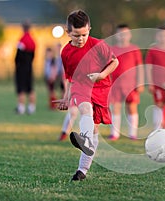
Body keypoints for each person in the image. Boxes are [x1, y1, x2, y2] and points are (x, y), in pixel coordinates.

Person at [56, 10, 118, 181]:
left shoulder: (98, 45)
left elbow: (114, 62)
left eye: (84, 34)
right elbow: (69, 77)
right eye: (76, 35)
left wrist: (102, 75)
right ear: (68, 32)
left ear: (89, 29)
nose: (80, 39)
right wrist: (67, 97)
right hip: (81, 86)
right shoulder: (66, 52)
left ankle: (82, 170)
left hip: (101, 87)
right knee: (85, 108)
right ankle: (85, 140)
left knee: (94, 129)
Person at [108, 24, 144, 141]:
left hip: (131, 84)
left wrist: (140, 82)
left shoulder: (135, 49)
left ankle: (132, 133)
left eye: (125, 34)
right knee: (116, 108)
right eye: (120, 34)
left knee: (132, 107)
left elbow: (139, 67)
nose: (123, 37)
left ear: (130, 35)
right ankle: (115, 133)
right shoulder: (112, 50)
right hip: (115, 84)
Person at [14, 20, 36, 114]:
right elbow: (33, 55)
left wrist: (16, 64)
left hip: (21, 68)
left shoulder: (22, 40)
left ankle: (21, 108)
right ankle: (31, 108)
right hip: (29, 67)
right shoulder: (32, 41)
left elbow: (17, 56)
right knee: (30, 88)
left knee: (21, 88)